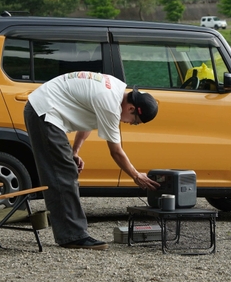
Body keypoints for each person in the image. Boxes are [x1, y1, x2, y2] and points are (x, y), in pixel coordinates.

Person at [24, 71, 160, 250]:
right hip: (44, 113)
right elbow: (116, 152)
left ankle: (71, 233)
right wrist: (136, 175)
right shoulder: (110, 104)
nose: (130, 124)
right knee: (63, 174)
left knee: (65, 169)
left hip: (43, 110)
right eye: (135, 122)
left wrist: (75, 151)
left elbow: (89, 120)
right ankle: (72, 236)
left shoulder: (116, 87)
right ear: (131, 109)